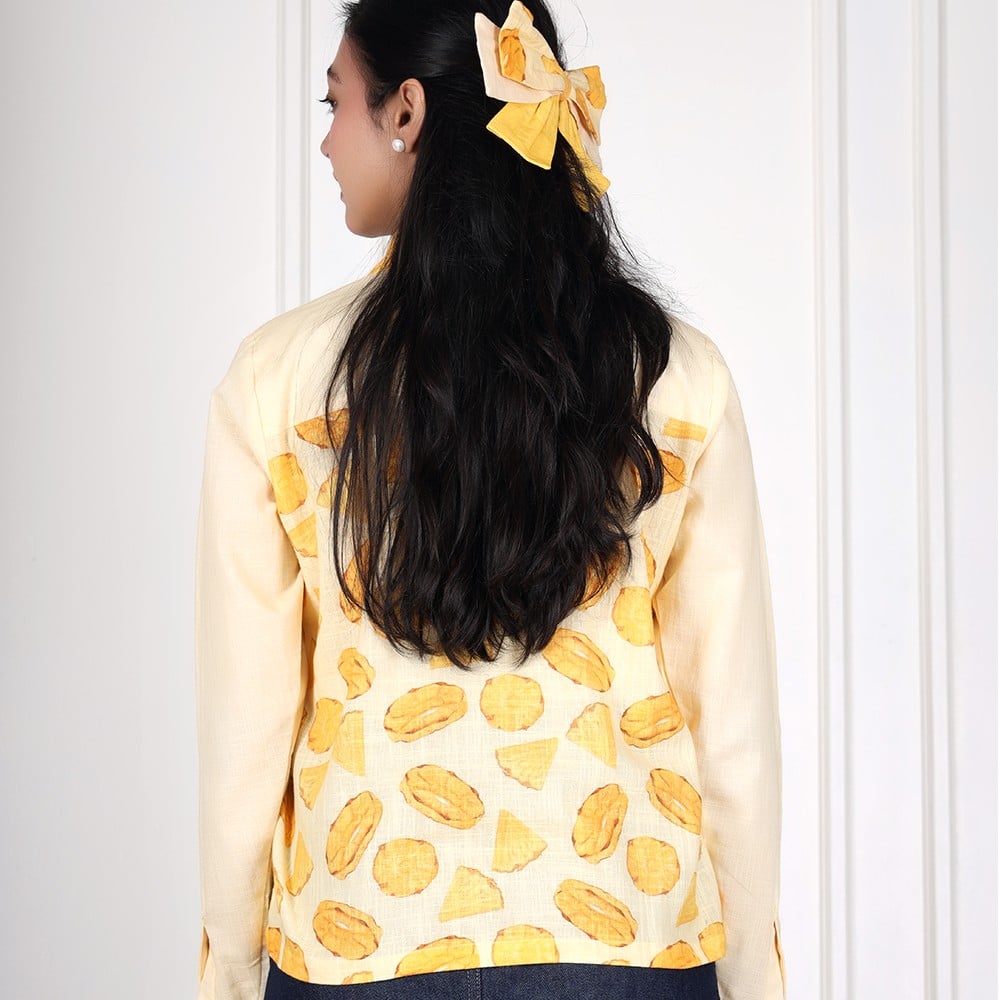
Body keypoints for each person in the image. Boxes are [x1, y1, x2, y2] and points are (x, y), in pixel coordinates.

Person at [193, 1, 786, 998]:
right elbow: (730, 728)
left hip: (358, 943)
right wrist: (753, 974)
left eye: (336, 103)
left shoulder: (276, 381)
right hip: (627, 944)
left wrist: (231, 967)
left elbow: (245, 734)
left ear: (406, 112)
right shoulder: (674, 376)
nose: (327, 141)